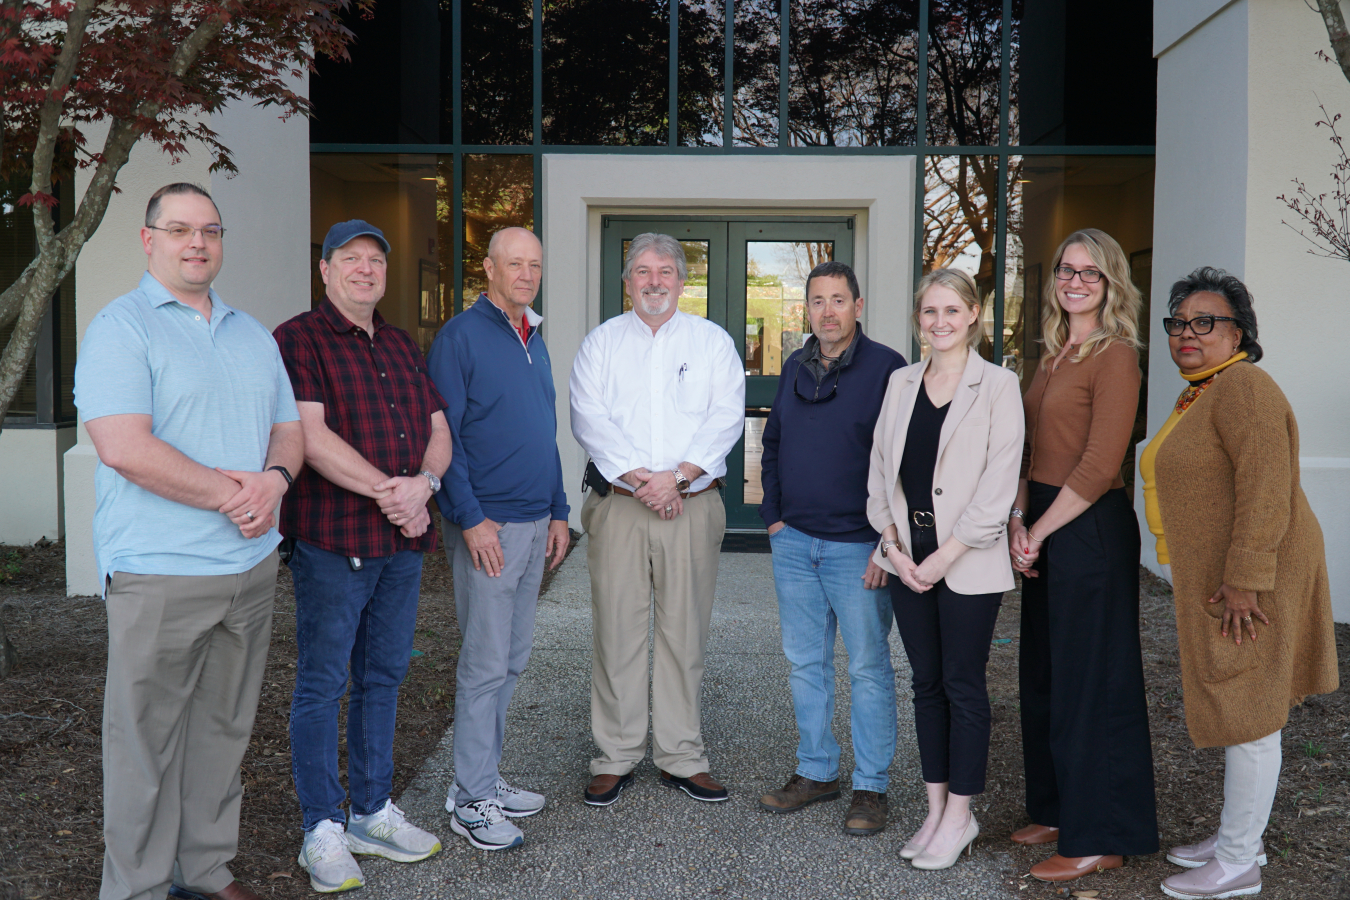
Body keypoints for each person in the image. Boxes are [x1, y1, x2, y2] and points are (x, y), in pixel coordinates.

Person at [75, 182, 304, 900]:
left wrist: (275, 480)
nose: (197, 242)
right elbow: (122, 447)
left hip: (250, 567)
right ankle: (137, 888)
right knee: (143, 747)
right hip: (161, 572)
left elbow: (290, 431)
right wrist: (239, 495)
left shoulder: (251, 333)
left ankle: (204, 869)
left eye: (209, 230)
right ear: (149, 239)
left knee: (223, 732)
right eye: (179, 229)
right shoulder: (122, 327)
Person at [1139, 268, 1339, 900]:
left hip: (1258, 576)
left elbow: (1266, 485)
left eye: (1206, 322)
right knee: (1238, 701)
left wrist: (1248, 579)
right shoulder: (1203, 392)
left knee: (1251, 713)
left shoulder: (1244, 386)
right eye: (1178, 323)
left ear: (1240, 333)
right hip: (1228, 574)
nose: (1186, 334)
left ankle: (1237, 863)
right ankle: (1237, 836)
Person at [274, 220, 451, 894]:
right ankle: (322, 825)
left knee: (384, 677)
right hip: (335, 542)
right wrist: (392, 492)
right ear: (326, 270)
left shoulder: (402, 343)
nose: (366, 270)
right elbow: (309, 438)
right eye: (351, 259)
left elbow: (438, 429)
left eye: (376, 260)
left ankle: (372, 812)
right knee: (323, 682)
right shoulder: (298, 340)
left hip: (401, 547)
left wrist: (426, 487)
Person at [569, 232, 746, 806]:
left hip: (691, 506)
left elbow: (726, 418)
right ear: (627, 281)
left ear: (682, 280)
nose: (653, 281)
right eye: (642, 271)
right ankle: (615, 754)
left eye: (665, 271)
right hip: (621, 507)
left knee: (683, 632)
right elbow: (588, 419)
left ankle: (680, 755)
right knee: (617, 630)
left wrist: (680, 477)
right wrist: (645, 482)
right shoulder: (600, 344)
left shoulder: (711, 342)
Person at [1008, 228, 1160, 881]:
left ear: (1110, 284)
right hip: (1043, 519)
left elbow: (1100, 464)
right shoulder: (1050, 354)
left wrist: (1039, 530)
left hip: (1088, 528)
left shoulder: (1115, 355)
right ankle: (1059, 808)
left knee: (1090, 683)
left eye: (1089, 273)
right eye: (1067, 270)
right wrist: (1019, 517)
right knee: (1044, 675)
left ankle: (1100, 835)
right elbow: (1025, 449)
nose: (1074, 280)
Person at [867, 268, 1024, 869]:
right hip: (907, 563)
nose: (940, 323)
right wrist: (894, 547)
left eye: (952, 312)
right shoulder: (901, 382)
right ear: (918, 319)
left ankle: (962, 815)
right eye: (929, 312)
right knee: (925, 686)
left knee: (963, 686)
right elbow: (881, 472)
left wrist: (942, 557)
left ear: (975, 316)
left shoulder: (999, 386)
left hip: (966, 565)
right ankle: (934, 810)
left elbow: (997, 483)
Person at [427, 226, 570, 851]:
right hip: (490, 527)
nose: (527, 274)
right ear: (488, 268)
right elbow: (445, 437)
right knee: (485, 664)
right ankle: (470, 800)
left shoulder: (532, 337)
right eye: (515, 264)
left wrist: (561, 509)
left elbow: (547, 431)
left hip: (535, 523)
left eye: (534, 265)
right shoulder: (460, 337)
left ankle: (480, 778)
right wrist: (469, 516)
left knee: (511, 660)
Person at [757, 261, 906, 835]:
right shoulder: (796, 365)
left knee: (868, 667)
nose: (827, 311)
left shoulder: (887, 369)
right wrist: (773, 520)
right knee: (805, 664)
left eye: (838, 300)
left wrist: (885, 547)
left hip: (858, 549)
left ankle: (871, 787)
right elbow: (772, 445)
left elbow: (901, 464)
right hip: (795, 542)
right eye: (817, 301)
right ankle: (816, 771)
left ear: (858, 306)